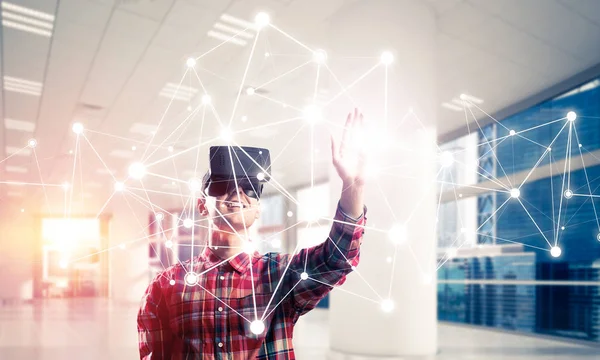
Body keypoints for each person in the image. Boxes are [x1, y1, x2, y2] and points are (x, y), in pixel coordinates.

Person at [137, 109, 367, 359]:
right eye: (223, 184)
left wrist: (353, 188)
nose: (237, 192)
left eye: (250, 188)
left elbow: (335, 260)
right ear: (203, 205)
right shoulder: (164, 287)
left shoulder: (278, 275)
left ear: (258, 210)